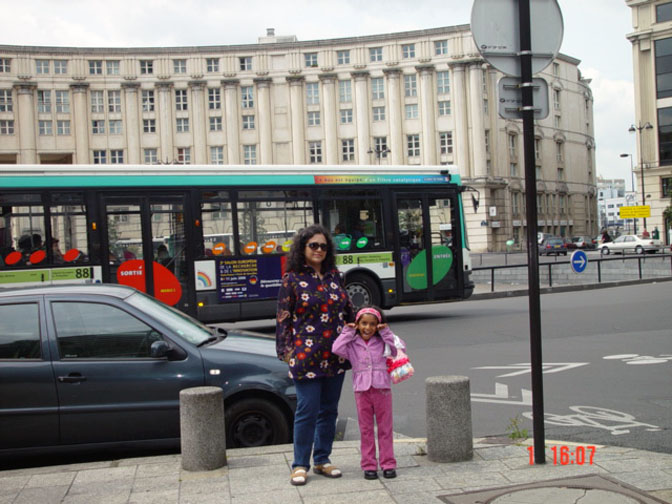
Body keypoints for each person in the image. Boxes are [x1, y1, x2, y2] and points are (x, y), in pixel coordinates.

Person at [276, 224, 354, 486]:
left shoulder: (335, 276)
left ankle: (322, 459)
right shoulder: (292, 279)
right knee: (306, 410)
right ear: (302, 248)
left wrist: (369, 332)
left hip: (335, 354)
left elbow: (349, 312)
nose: (319, 250)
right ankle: (300, 464)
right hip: (306, 355)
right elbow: (283, 318)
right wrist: (286, 351)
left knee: (329, 410)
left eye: (323, 246)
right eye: (313, 245)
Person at [332, 306, 404, 480]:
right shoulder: (352, 343)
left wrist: (386, 332)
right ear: (358, 324)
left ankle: (388, 464)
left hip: (382, 389)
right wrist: (349, 330)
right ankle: (369, 465)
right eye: (364, 323)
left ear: (378, 325)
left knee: (385, 428)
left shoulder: (383, 341)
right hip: (362, 391)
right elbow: (336, 348)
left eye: (373, 324)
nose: (368, 328)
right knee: (366, 430)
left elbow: (398, 348)